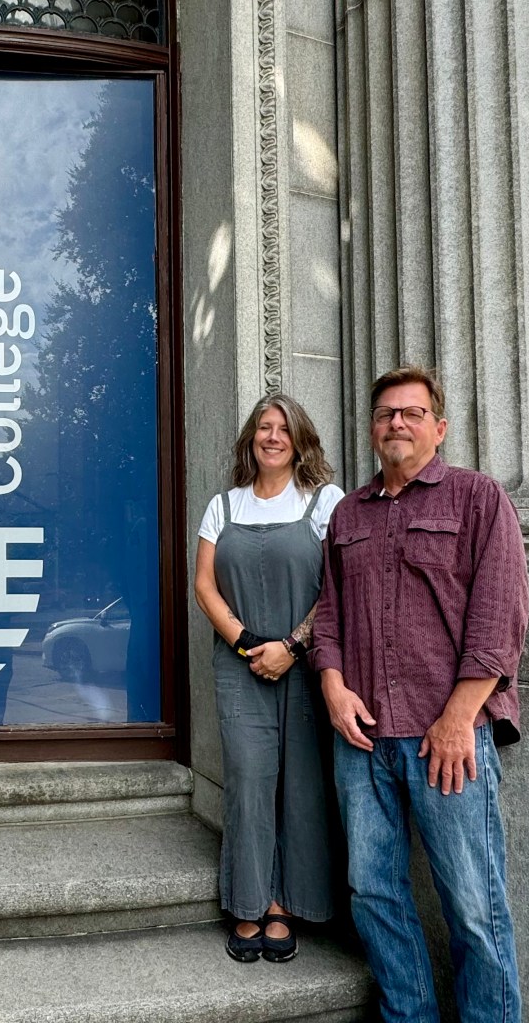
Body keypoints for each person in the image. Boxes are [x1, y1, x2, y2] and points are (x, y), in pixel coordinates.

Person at [312, 366, 527, 1023]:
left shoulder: (478, 498)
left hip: (448, 736)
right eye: (385, 414)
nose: (397, 423)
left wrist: (459, 718)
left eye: (411, 412)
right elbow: (328, 614)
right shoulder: (348, 513)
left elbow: (500, 615)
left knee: (473, 903)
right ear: (372, 429)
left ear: (440, 427)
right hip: (362, 737)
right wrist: (333, 688)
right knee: (373, 894)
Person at [194, 394, 344, 963]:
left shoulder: (324, 501)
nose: (273, 436)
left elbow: (337, 588)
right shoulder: (223, 506)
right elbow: (205, 585)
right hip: (241, 668)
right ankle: (248, 901)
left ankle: (285, 903)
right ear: (251, 438)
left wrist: (291, 645)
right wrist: (246, 643)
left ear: (299, 440)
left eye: (283, 428)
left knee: (303, 784)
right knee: (249, 781)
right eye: (264, 426)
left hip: (306, 667)